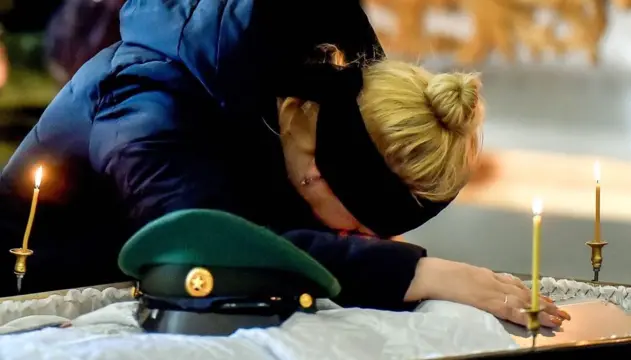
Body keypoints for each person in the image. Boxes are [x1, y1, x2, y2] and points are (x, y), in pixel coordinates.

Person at [0, 0, 569, 328]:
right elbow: (196, 242)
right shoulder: (147, 98)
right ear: (316, 173)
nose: (351, 240)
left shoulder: (288, 110)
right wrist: (416, 273)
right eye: (351, 228)